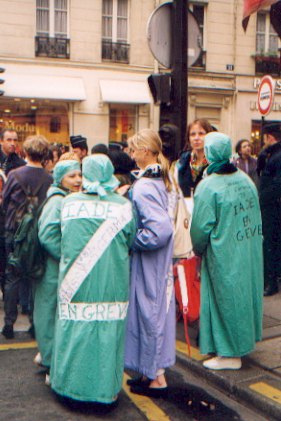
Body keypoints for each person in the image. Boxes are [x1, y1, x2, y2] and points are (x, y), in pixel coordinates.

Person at [51, 154, 135, 404]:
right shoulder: (123, 206)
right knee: (106, 335)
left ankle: (68, 388)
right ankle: (104, 391)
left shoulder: (68, 203)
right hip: (111, 280)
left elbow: (60, 236)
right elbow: (130, 239)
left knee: (74, 332)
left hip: (74, 281)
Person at [190, 132, 263, 370]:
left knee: (224, 298)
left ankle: (229, 354)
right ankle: (241, 343)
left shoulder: (208, 186)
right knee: (243, 296)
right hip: (247, 247)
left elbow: (200, 229)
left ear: (210, 153)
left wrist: (198, 250)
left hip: (223, 252)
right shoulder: (245, 180)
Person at [125, 128, 175, 397]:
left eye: (134, 150)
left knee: (149, 314)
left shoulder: (144, 185)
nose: (132, 155)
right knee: (155, 313)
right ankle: (150, 372)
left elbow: (159, 230)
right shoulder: (163, 179)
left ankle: (157, 378)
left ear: (145, 151)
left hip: (149, 260)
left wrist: (133, 240)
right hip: (160, 261)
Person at [33, 160, 82, 385]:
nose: (78, 180)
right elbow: (47, 235)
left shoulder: (61, 197)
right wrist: (66, 257)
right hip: (53, 267)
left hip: (54, 266)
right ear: (60, 177)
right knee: (49, 314)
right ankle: (51, 363)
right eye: (72, 176)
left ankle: (47, 356)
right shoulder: (57, 201)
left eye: (79, 175)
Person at [2, 135, 52, 339]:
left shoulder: (14, 175)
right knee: (34, 278)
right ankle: (33, 321)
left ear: (26, 151)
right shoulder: (49, 178)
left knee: (12, 276)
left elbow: (5, 203)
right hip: (38, 231)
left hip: (14, 231)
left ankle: (8, 323)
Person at [257, 123, 281, 296]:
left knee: (270, 245)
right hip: (272, 206)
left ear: (269, 138)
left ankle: (271, 282)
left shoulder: (277, 156)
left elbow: (275, 185)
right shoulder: (271, 154)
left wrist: (262, 199)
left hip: (272, 208)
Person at [177, 119, 213, 197]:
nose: (196, 138)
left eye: (201, 134)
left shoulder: (213, 162)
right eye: (192, 134)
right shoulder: (182, 162)